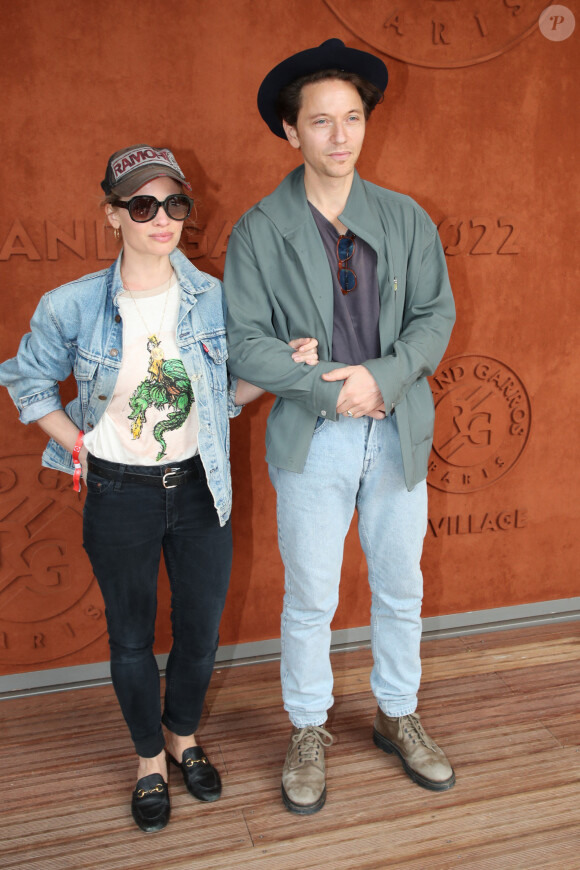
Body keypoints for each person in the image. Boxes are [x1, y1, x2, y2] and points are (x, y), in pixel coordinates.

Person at [0, 144, 318, 832]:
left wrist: (285, 365)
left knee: (200, 635)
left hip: (203, 489)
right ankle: (148, 759)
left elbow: (224, 399)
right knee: (131, 638)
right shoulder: (72, 306)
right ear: (113, 214)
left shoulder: (217, 297)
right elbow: (24, 381)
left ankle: (182, 736)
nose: (162, 218)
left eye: (175, 204)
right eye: (143, 205)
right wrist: (76, 442)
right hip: (120, 493)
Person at [223, 39, 457, 815]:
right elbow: (247, 341)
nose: (339, 137)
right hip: (310, 437)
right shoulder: (260, 229)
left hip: (397, 430)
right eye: (320, 122)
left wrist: (378, 378)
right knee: (310, 598)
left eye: (351, 119)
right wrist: (331, 390)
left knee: (400, 589)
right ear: (290, 131)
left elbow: (434, 318)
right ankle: (307, 728)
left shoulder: (405, 217)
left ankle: (397, 713)